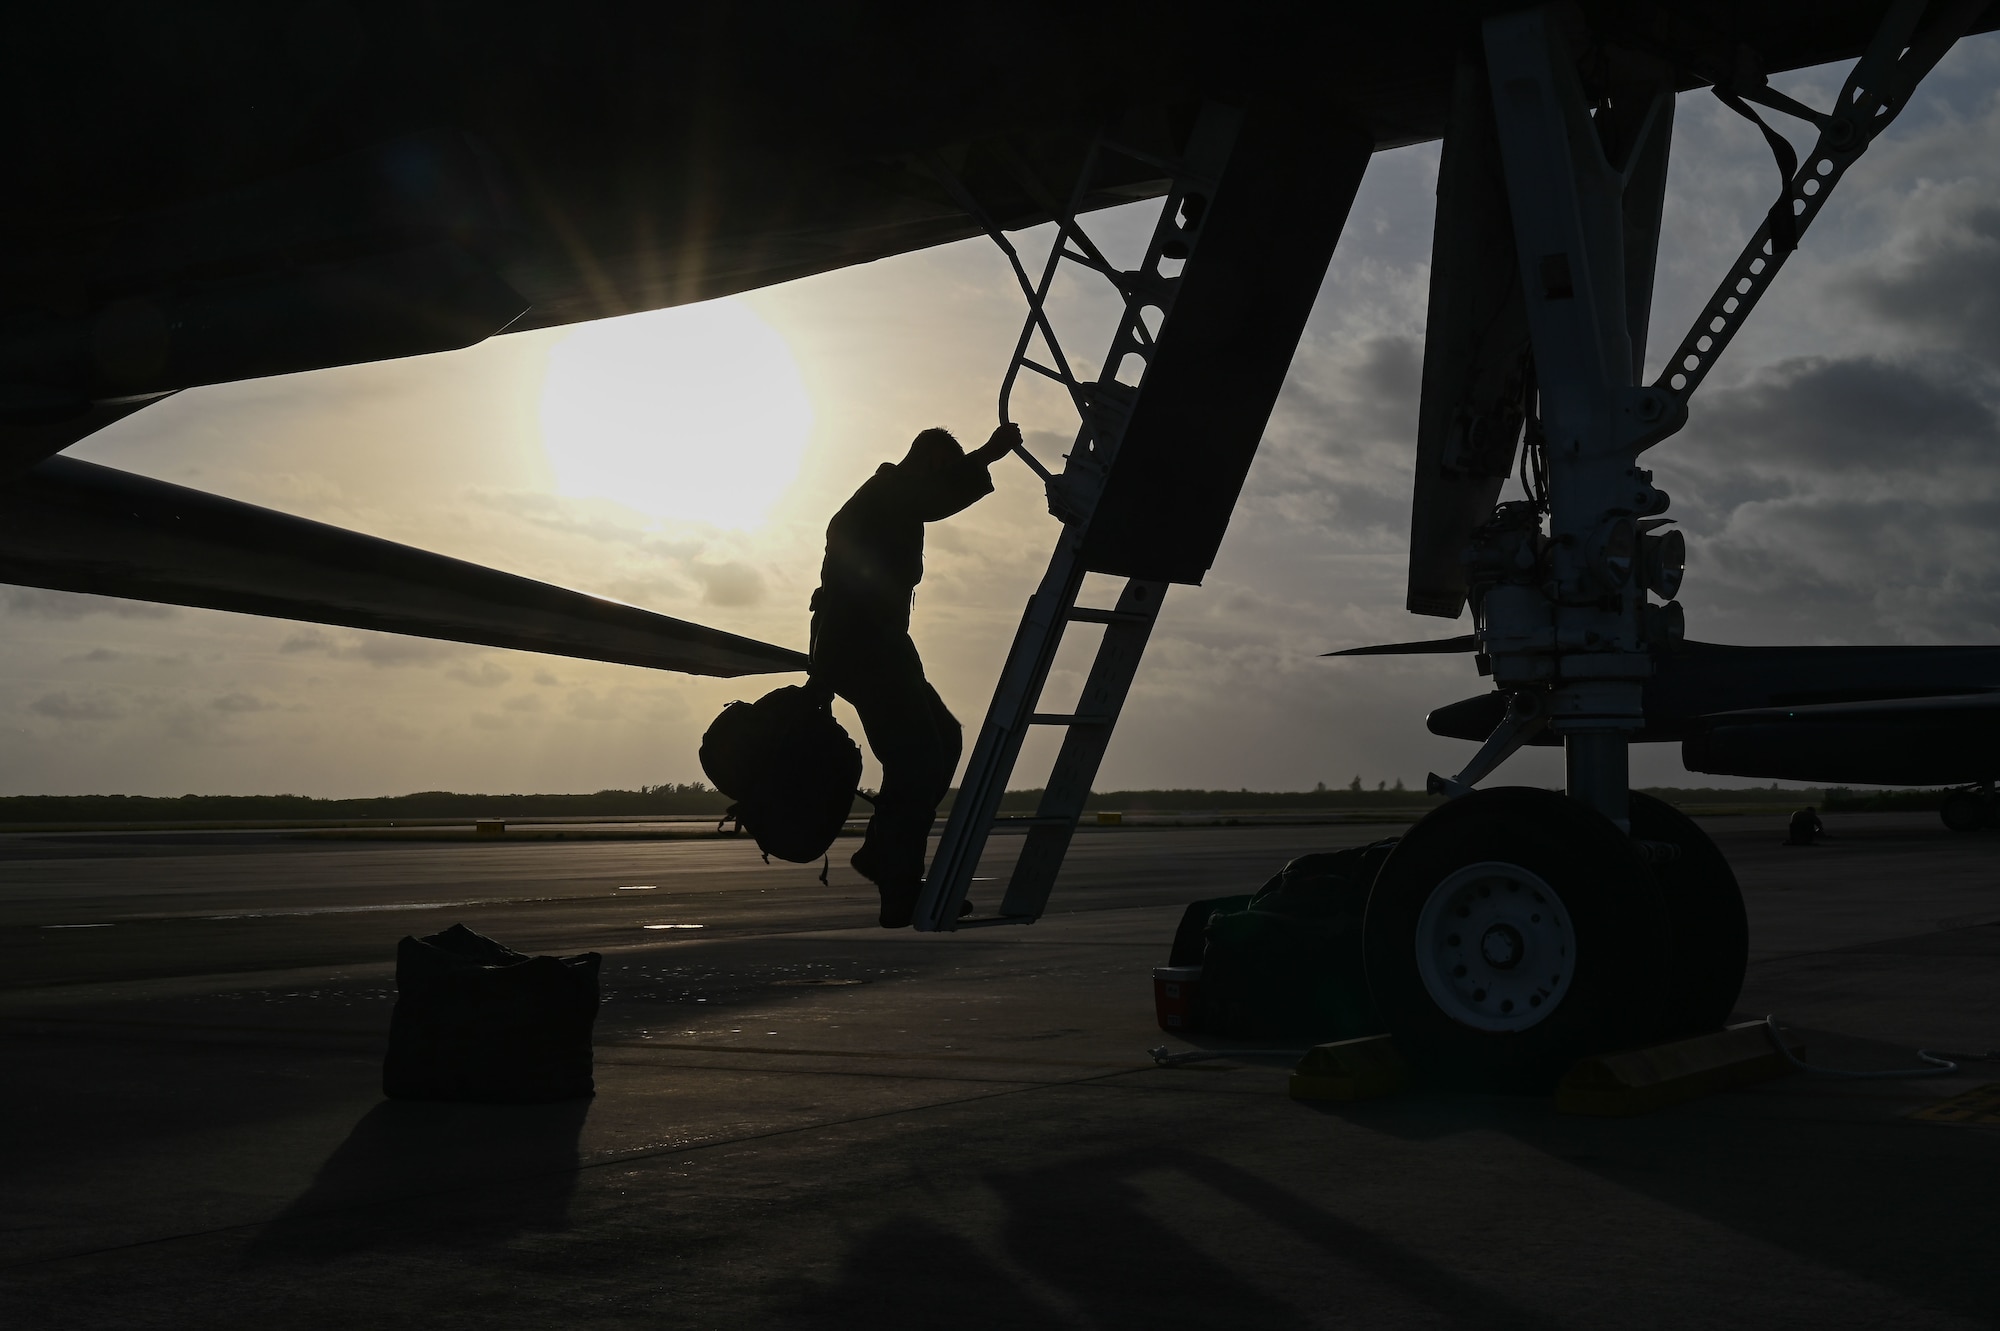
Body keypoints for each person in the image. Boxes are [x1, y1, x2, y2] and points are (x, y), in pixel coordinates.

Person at [811, 422, 1020, 926]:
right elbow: (931, 499)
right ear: (927, 464)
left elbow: (927, 501)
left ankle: (882, 853)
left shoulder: (893, 501)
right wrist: (986, 456)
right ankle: (898, 885)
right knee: (916, 756)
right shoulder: (888, 494)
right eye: (942, 473)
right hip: (861, 645)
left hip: (880, 644)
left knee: (943, 738)